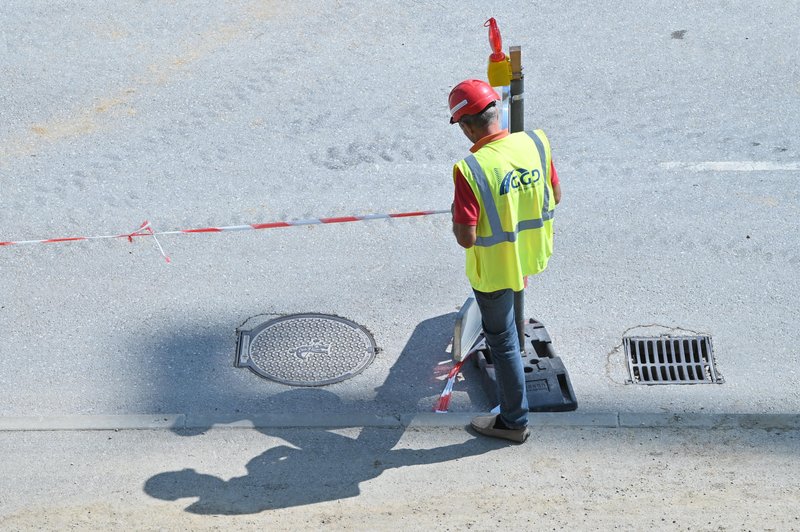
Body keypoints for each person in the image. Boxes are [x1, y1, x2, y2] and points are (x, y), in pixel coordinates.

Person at [449, 79, 561, 443]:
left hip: (496, 269)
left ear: (466, 126)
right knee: (513, 315)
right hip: (529, 253)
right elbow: (555, 195)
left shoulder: (471, 169)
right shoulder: (535, 143)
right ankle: (512, 411)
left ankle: (513, 421)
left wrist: (456, 212)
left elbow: (466, 237)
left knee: (503, 340)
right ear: (496, 111)